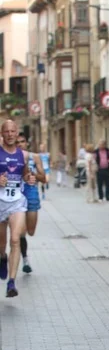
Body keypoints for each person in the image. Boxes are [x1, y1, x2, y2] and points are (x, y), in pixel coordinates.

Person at [0, 120, 30, 297]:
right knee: (1, 245)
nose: (10, 134)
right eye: (7, 131)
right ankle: (2, 257)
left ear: (17, 133)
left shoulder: (23, 155)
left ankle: (11, 283)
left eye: (13, 131)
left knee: (15, 240)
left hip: (17, 202)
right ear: (2, 134)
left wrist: (28, 178)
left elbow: (25, 174)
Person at [16, 132, 46, 274]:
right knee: (21, 232)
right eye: (17, 142)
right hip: (17, 195)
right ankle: (25, 259)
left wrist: (32, 174)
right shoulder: (9, 157)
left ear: (26, 143)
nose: (19, 144)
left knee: (31, 231)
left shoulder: (35, 157)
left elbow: (43, 178)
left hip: (31, 193)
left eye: (22, 141)